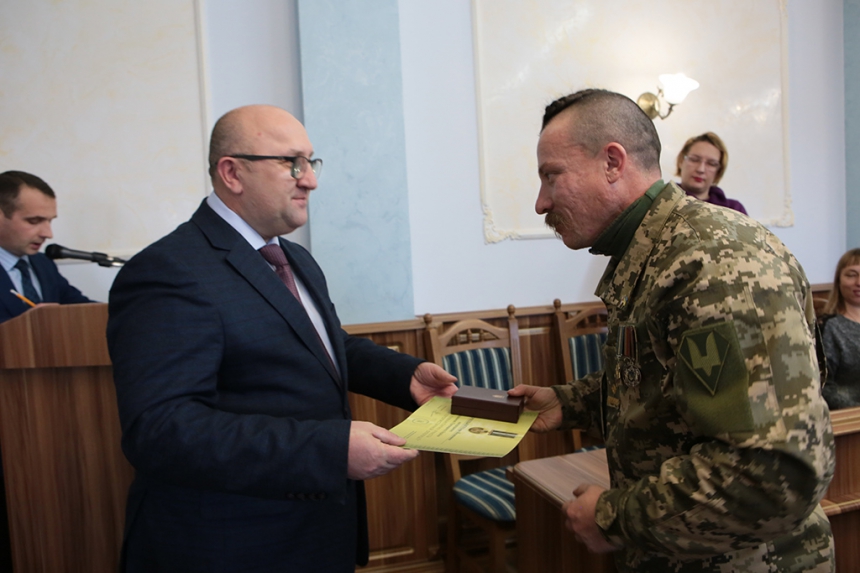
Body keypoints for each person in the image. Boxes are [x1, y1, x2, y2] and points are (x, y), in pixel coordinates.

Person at [106, 104, 457, 572]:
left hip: (315, 532)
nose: (309, 180)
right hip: (232, 544)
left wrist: (402, 376)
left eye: (311, 162)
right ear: (232, 173)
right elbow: (161, 429)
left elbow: (321, 345)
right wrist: (329, 449)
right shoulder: (168, 270)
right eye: (292, 163)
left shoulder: (294, 258)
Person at [508, 89, 835, 572]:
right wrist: (569, 402)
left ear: (613, 162)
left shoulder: (713, 261)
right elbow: (665, 382)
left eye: (551, 176)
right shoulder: (659, 251)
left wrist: (613, 518)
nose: (541, 203)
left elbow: (766, 473)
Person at [0, 170, 92, 323]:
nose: (48, 234)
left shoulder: (42, 263)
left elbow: (81, 308)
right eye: (34, 221)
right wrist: (29, 323)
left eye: (50, 221)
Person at [819, 248, 860, 410]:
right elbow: (823, 386)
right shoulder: (829, 327)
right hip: (849, 416)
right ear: (839, 281)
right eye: (851, 275)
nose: (859, 282)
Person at [675, 132, 748, 215]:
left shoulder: (735, 210)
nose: (701, 169)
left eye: (711, 164)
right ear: (681, 161)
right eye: (694, 159)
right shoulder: (664, 199)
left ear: (718, 171)